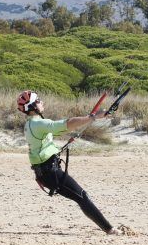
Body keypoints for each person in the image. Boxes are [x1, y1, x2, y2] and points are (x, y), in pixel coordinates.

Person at [18, 90, 118, 235]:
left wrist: (76, 130)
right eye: (38, 100)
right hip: (50, 173)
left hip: (46, 173)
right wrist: (94, 117)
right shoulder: (39, 123)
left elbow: (57, 131)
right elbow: (67, 123)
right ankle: (110, 229)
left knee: (81, 197)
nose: (42, 102)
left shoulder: (31, 124)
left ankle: (108, 228)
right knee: (82, 196)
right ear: (32, 106)